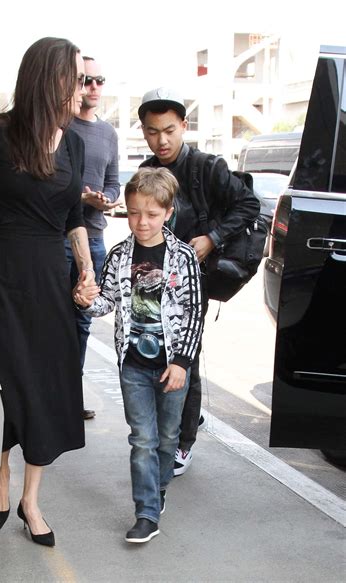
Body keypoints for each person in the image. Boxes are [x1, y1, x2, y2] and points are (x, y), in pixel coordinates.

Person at [0, 37, 95, 547]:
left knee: (46, 389)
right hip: (0, 279)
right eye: (75, 77)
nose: (81, 88)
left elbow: (74, 218)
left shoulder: (74, 143)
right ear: (47, 77)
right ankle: (1, 469)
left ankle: (31, 500)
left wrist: (86, 271)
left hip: (48, 284)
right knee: (6, 385)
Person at [74, 167, 203, 543]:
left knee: (166, 438)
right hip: (133, 364)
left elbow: (195, 313)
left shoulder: (183, 258)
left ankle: (159, 486)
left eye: (151, 214)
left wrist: (182, 362)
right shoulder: (118, 255)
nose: (141, 222)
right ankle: (146, 512)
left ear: (167, 212)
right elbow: (106, 302)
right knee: (142, 439)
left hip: (171, 368)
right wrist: (84, 300)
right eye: (133, 213)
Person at [138, 88, 260, 476]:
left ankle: (182, 442)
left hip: (195, 281)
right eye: (153, 131)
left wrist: (213, 239)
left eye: (169, 130)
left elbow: (249, 204)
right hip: (157, 281)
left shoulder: (207, 167)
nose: (162, 140)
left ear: (184, 127)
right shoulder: (146, 170)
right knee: (160, 354)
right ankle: (182, 422)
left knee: (183, 356)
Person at [65, 56, 120, 420]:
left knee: (84, 319)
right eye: (86, 80)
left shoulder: (109, 133)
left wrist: (108, 199)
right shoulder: (61, 127)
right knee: (53, 317)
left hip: (95, 238)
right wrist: (78, 196)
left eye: (99, 80)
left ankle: (70, 398)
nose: (94, 87)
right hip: (58, 238)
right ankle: (49, 396)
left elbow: (114, 180)